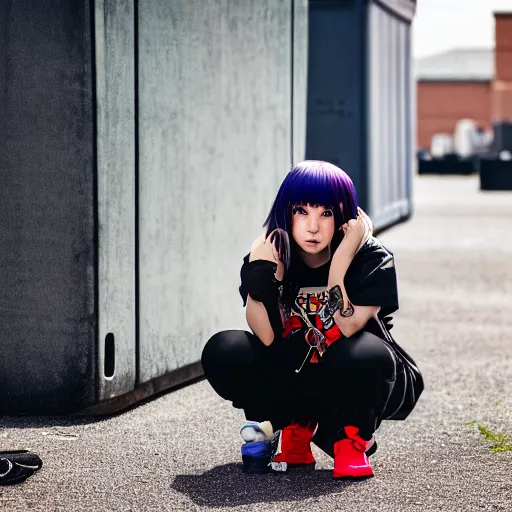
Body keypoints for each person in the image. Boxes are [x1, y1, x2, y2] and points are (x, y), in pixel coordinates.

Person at [201, 160, 421, 479]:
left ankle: (351, 440)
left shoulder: (371, 257)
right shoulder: (275, 255)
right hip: (298, 375)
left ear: (343, 216)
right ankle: (286, 425)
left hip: (357, 381)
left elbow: (346, 326)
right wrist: (263, 272)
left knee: (364, 354)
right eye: (302, 211)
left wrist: (341, 260)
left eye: (325, 213)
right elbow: (266, 336)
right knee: (226, 349)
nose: (313, 226)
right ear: (286, 214)